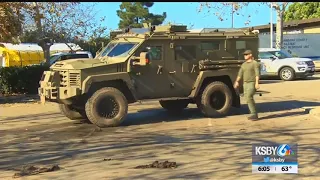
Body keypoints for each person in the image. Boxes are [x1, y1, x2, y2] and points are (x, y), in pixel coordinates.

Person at [233, 50, 260, 120]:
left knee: (249, 97)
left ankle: (254, 114)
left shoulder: (254, 63)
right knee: (247, 99)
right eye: (244, 55)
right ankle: (253, 113)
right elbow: (240, 74)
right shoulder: (244, 64)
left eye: (246, 54)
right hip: (245, 84)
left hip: (252, 83)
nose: (245, 56)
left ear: (250, 55)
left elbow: (257, 74)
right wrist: (237, 81)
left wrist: (257, 83)